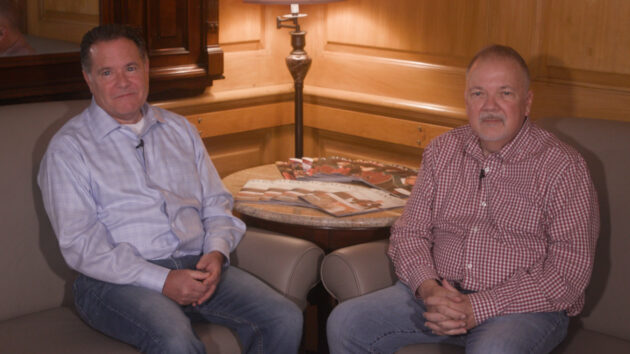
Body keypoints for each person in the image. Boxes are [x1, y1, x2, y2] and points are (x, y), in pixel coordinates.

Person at [38, 24, 302, 354]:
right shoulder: (68, 149)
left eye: (131, 68)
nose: (123, 82)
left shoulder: (179, 129)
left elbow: (216, 203)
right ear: (88, 78)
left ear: (146, 68)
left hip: (196, 265)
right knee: (175, 339)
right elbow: (82, 246)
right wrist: (162, 281)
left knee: (284, 317)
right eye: (107, 72)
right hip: (114, 282)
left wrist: (216, 252)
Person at [327, 44, 599, 353]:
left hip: (522, 310)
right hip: (436, 296)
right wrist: (428, 288)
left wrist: (477, 306)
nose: (490, 106)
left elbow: (568, 272)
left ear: (528, 102)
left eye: (505, 93)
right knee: (345, 323)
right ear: (466, 99)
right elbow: (409, 232)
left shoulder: (563, 166)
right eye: (478, 93)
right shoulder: (442, 151)